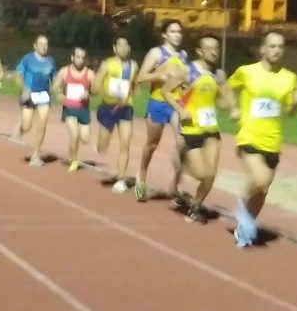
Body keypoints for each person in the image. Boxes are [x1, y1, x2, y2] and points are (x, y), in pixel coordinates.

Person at [225, 32, 297, 248]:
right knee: (259, 181)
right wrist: (233, 108)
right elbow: (227, 88)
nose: (277, 50)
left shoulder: (289, 78)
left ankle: (245, 227)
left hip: (273, 141)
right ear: (262, 49)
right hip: (249, 135)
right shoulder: (246, 72)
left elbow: (289, 111)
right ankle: (242, 208)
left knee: (264, 189)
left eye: (280, 47)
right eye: (272, 46)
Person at [161, 34, 224, 223]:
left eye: (216, 48)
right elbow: (166, 91)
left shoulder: (219, 75)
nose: (214, 52)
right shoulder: (188, 71)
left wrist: (231, 104)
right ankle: (182, 163)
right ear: (199, 51)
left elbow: (221, 100)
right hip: (191, 130)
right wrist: (180, 110)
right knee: (202, 173)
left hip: (211, 129)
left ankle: (195, 207)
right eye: (209, 48)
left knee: (211, 174)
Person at [133, 19, 189, 202]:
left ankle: (175, 186)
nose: (177, 35)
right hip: (158, 104)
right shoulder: (156, 53)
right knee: (152, 144)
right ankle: (142, 174)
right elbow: (141, 77)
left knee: (183, 143)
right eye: (173, 32)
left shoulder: (183, 55)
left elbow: (184, 79)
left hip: (176, 104)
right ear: (165, 34)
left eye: (179, 32)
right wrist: (161, 75)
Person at [94, 36, 139, 192]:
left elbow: (134, 84)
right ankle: (99, 145)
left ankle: (120, 179)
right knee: (102, 147)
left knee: (125, 144)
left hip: (126, 108)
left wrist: (130, 94)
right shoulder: (107, 64)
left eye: (126, 45)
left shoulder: (133, 66)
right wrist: (107, 93)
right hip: (108, 107)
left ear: (129, 48)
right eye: (120, 45)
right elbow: (95, 86)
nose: (123, 48)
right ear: (114, 48)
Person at [15, 35, 57, 167]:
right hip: (29, 94)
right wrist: (24, 89)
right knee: (27, 126)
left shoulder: (51, 61)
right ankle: (21, 127)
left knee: (43, 123)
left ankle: (36, 155)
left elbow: (54, 78)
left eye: (46, 44)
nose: (44, 47)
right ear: (35, 46)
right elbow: (18, 75)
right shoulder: (27, 58)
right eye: (41, 44)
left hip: (43, 95)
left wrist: (55, 89)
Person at [53, 47, 96, 170]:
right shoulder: (64, 71)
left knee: (85, 139)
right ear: (72, 57)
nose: (80, 60)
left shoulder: (90, 74)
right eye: (78, 57)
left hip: (83, 109)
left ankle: (72, 154)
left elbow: (96, 89)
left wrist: (89, 93)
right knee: (74, 134)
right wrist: (59, 95)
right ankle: (74, 160)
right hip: (69, 108)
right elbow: (55, 87)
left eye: (83, 58)